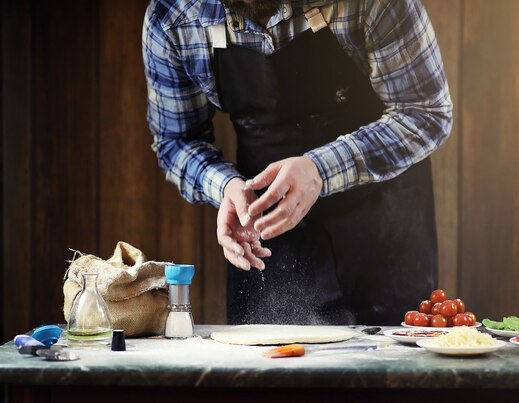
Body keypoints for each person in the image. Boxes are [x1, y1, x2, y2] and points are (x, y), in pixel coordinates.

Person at [142, 0, 453, 326]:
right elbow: (177, 141)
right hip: (267, 241)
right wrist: (227, 188)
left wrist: (320, 169)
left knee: (387, 372)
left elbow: (426, 112)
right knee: (270, 372)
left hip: (383, 233)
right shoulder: (174, 14)